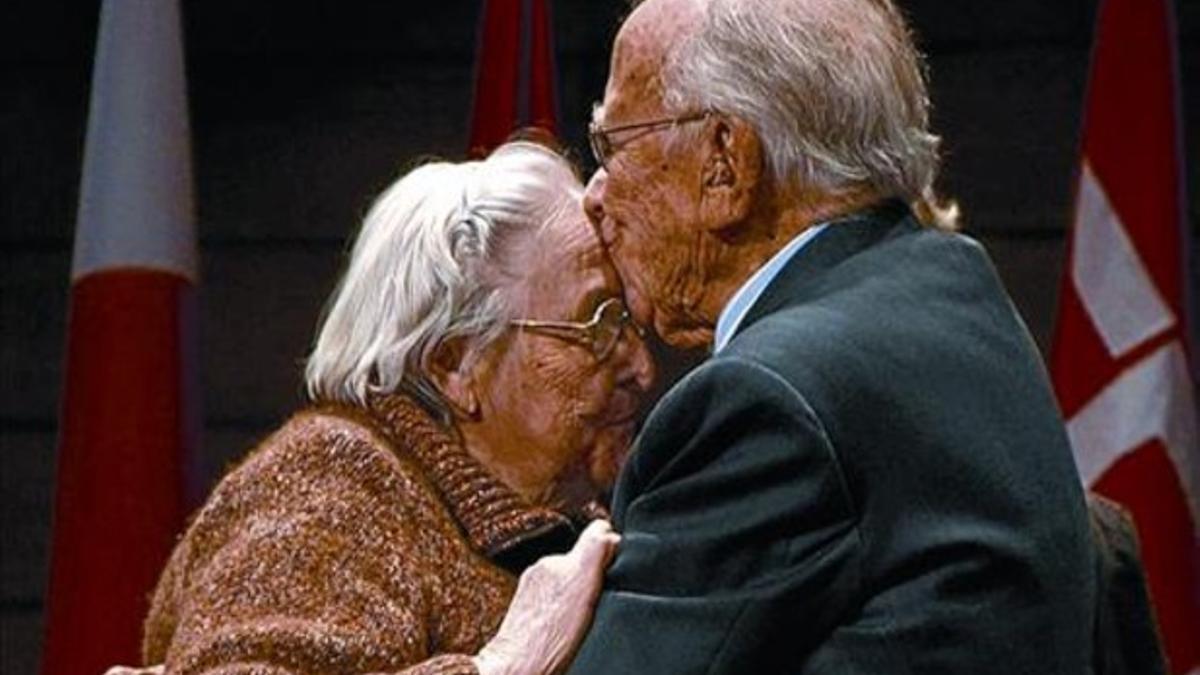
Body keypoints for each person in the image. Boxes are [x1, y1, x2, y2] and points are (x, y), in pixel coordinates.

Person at [568, 0, 1097, 672]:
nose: (595, 194)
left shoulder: (767, 400)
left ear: (725, 163)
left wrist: (510, 652)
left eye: (613, 145)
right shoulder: (951, 284)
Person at [123, 140, 655, 675]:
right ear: (456, 364)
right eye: (601, 326)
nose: (642, 368)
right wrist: (504, 665)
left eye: (630, 321)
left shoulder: (578, 523)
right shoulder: (331, 488)